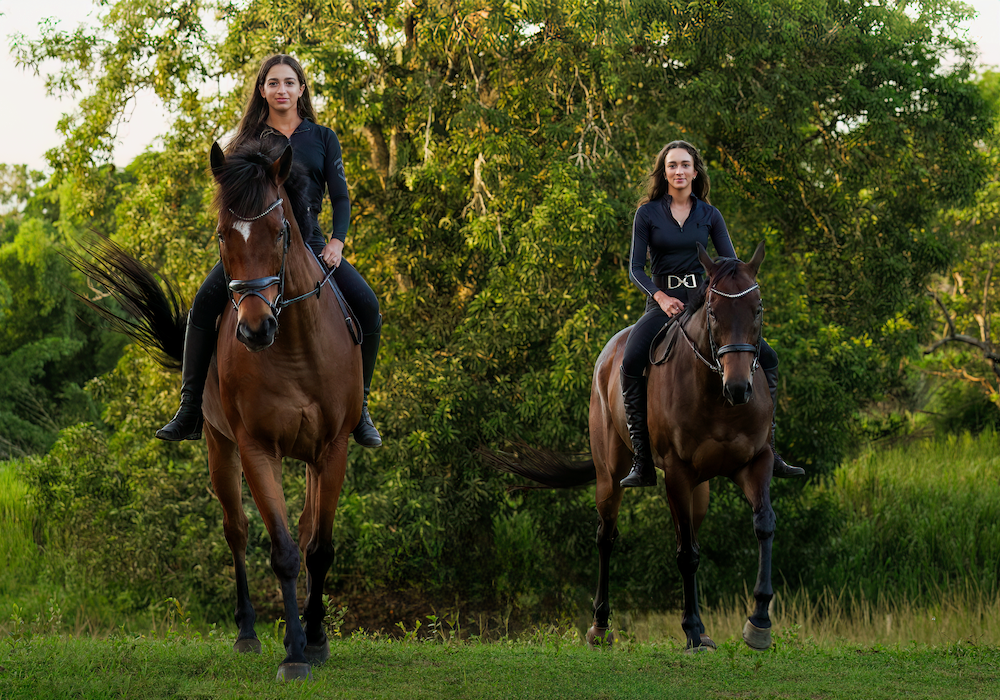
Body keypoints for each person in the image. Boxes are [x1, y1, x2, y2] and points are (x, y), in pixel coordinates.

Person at [156, 54, 383, 448]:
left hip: (311, 243)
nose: (282, 90)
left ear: (301, 89)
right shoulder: (248, 140)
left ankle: (360, 409)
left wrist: (337, 241)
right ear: (262, 91)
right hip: (257, 248)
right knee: (203, 305)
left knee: (366, 302)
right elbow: (231, 200)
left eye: (289, 82)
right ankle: (190, 408)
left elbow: (341, 199)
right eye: (273, 83)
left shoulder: (323, 138)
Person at [618, 140, 803, 487]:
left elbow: (730, 266)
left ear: (695, 171)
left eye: (685, 165)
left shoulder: (709, 214)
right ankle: (642, 460)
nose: (679, 171)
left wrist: (733, 291)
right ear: (664, 172)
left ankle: (769, 448)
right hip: (663, 304)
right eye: (672, 165)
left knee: (771, 358)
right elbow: (635, 269)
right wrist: (659, 297)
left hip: (703, 303)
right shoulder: (647, 214)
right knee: (630, 360)